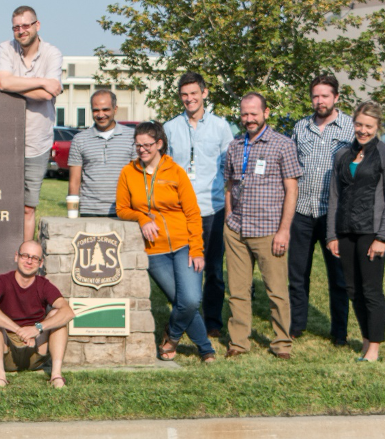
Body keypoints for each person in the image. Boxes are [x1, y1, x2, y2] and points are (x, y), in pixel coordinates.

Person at [116, 121, 215, 363]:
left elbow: (192, 213)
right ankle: (206, 350)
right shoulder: (128, 172)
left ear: (159, 144)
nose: (142, 150)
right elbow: (121, 209)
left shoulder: (176, 172)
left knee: (190, 299)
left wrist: (197, 249)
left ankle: (171, 337)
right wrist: (141, 217)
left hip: (184, 245)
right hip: (154, 251)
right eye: (138, 145)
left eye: (147, 145)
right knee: (180, 301)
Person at [224, 92, 301, 360]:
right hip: (236, 230)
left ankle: (281, 344)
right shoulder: (235, 145)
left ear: (266, 113)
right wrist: (229, 218)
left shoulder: (283, 144)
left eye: (254, 113)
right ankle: (238, 342)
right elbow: (230, 184)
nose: (249, 119)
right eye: (245, 114)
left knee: (277, 292)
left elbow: (292, 190)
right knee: (237, 291)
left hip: (269, 230)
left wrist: (284, 230)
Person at [327, 101, 385, 362]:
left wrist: (382, 237)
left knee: (371, 291)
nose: (363, 130)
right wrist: (331, 235)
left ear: (377, 126)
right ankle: (367, 339)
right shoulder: (343, 155)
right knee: (352, 289)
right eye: (359, 124)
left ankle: (374, 349)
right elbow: (334, 196)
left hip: (372, 232)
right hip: (346, 232)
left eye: (369, 126)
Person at [163, 73, 234, 337]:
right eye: (184, 94)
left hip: (212, 208)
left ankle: (213, 321)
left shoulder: (220, 127)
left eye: (194, 93)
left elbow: (229, 168)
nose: (189, 99)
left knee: (214, 268)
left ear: (204, 93)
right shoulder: (170, 128)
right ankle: (186, 318)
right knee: (183, 269)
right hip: (180, 211)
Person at [288, 74, 354, 345]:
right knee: (297, 273)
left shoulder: (350, 128)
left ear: (336, 97)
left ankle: (339, 332)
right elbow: (290, 167)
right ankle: (296, 325)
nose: (320, 101)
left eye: (325, 95)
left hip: (334, 216)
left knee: (338, 277)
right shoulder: (300, 127)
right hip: (301, 211)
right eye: (316, 95)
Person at [0, 6, 64, 240]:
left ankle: (25, 256)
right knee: (2, 207)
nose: (21, 31)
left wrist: (17, 85)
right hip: (5, 141)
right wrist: (42, 82)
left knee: (28, 207)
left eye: (26, 25)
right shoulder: (6, 48)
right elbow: (3, 82)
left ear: (37, 25)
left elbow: (47, 95)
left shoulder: (53, 53)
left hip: (37, 142)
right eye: (16, 27)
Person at [0, 241, 74, 387]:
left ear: (41, 263)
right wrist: (19, 330)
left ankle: (56, 376)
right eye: (25, 256)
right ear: (16, 257)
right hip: (7, 349)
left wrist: (36, 329)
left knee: (58, 314)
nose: (29, 261)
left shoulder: (44, 285)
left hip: (35, 349)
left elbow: (68, 312)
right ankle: (0, 377)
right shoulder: (1, 281)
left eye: (35, 258)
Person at [68, 90, 136, 217]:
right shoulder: (79, 139)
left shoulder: (132, 137)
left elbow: (138, 177)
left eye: (106, 110)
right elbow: (74, 181)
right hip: (89, 210)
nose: (100, 115)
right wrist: (72, 214)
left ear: (115, 109)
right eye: (95, 110)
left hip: (123, 210)